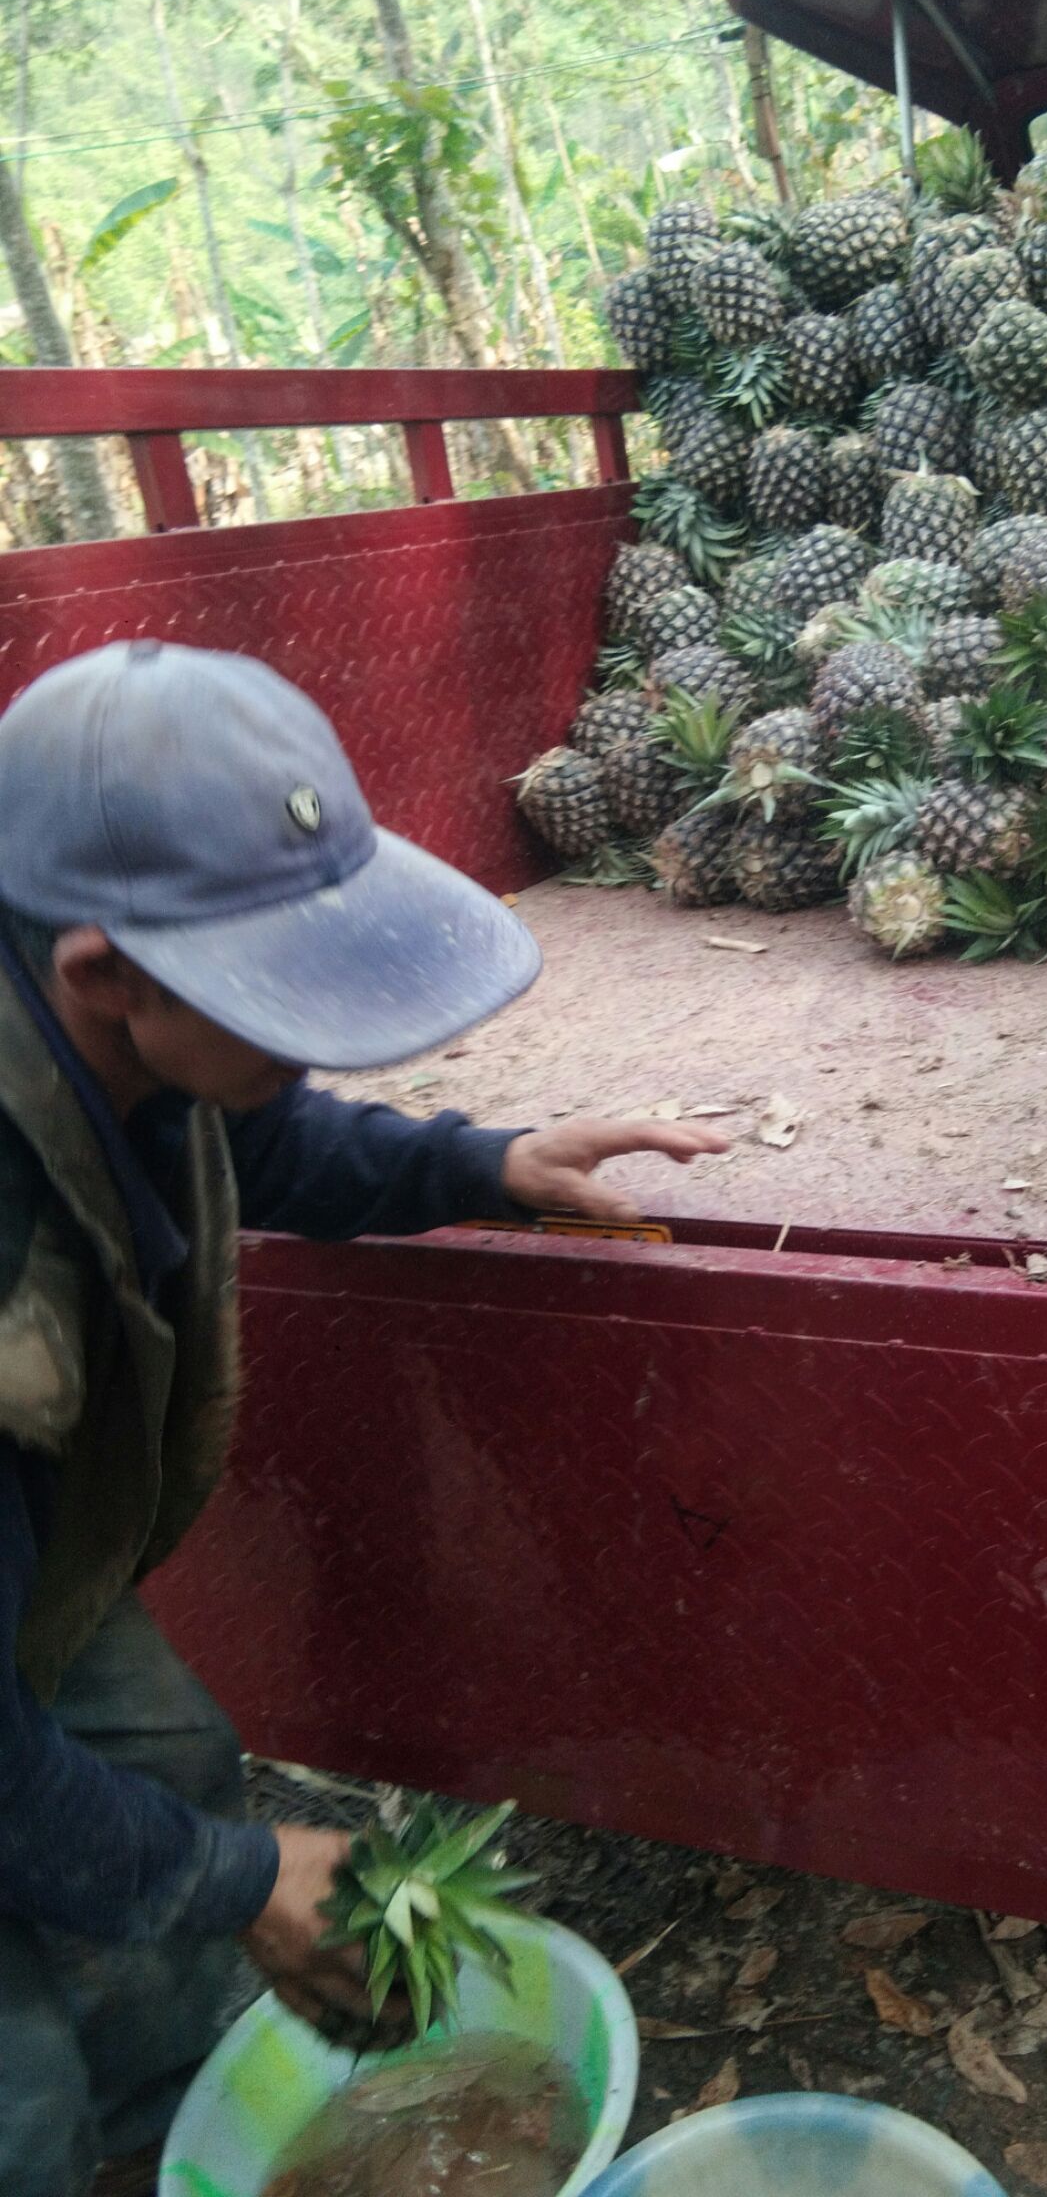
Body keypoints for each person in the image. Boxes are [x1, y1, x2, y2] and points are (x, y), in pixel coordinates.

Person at [0, 637, 728, 2197]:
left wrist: (484, 1167)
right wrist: (241, 1883)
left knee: (165, 1751)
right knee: (17, 2110)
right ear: (102, 974)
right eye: (281, 1003)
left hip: (23, 1546)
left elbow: (231, 1127)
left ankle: (164, 2133)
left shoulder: (96, 1006)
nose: (313, 1040)